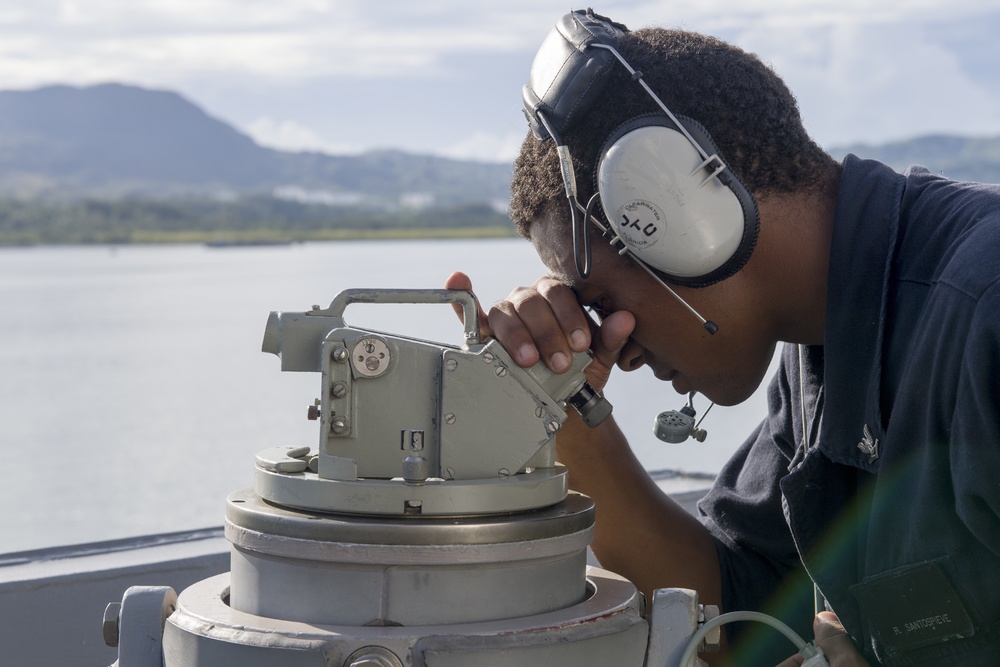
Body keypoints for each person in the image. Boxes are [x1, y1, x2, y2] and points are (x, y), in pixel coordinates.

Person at [446, 9, 1000, 666]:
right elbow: (738, 608)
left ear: (686, 218)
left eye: (602, 303)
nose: (614, 347)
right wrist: (556, 408)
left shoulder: (984, 307)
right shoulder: (821, 345)